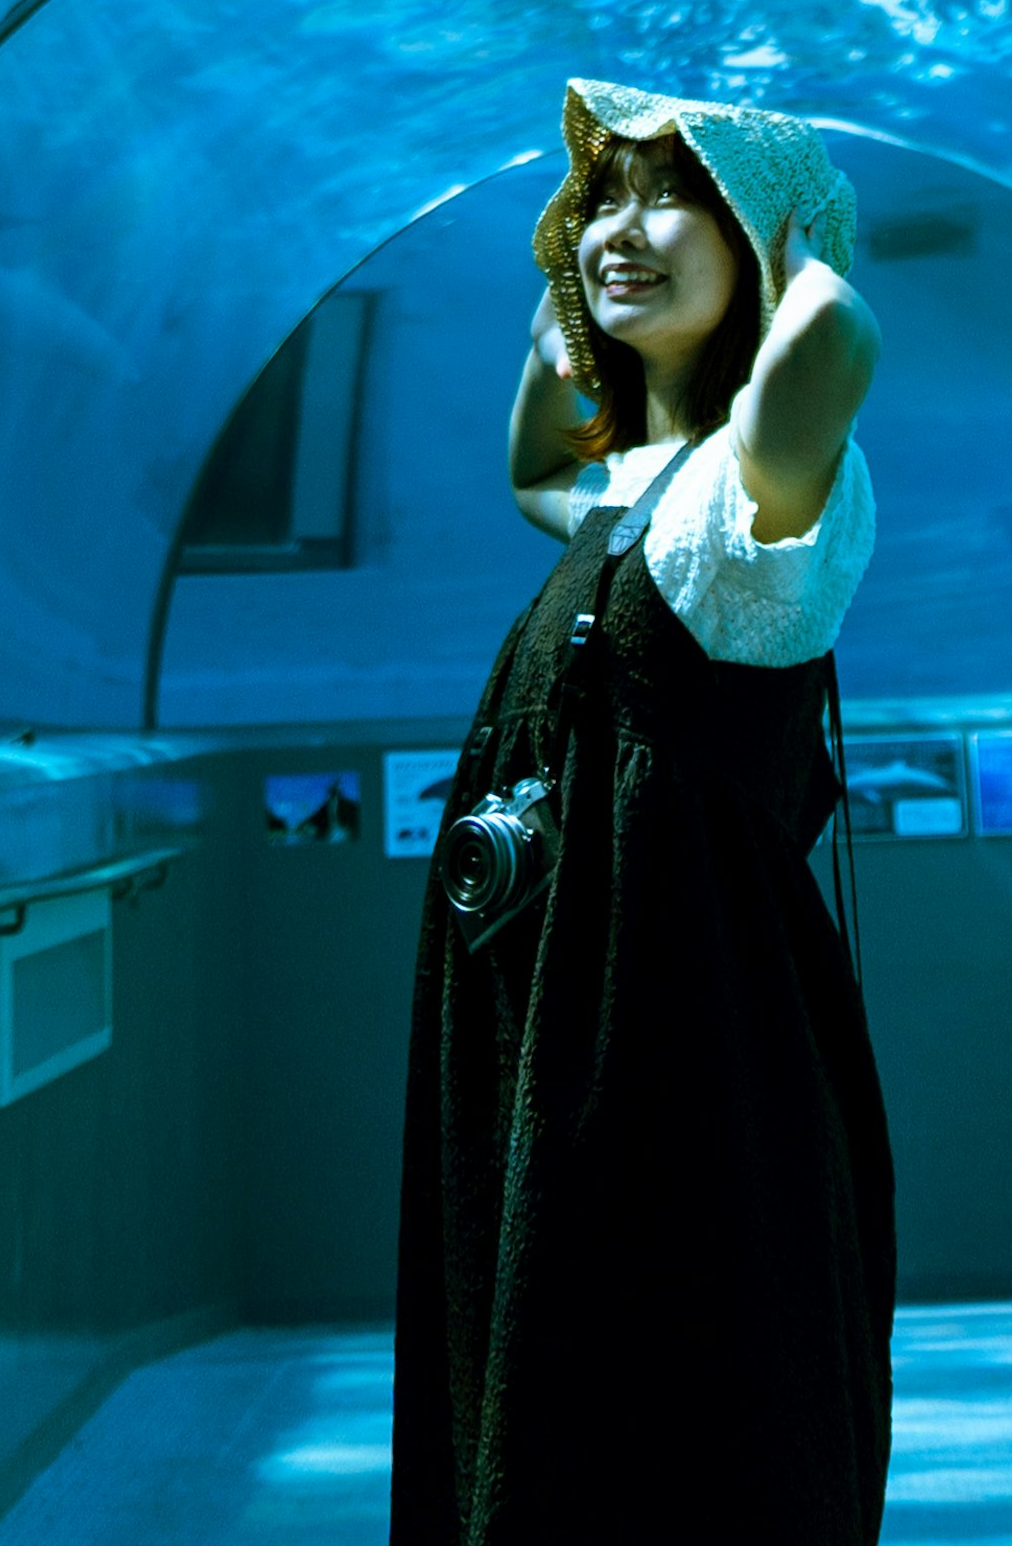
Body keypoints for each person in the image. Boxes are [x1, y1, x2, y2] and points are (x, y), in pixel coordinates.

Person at [392, 75, 895, 1545]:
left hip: (682, 1044)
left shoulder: (766, 491)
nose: (619, 229)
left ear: (763, 234)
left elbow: (835, 337)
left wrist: (804, 245)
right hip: (564, 1020)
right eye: (597, 200)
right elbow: (535, 465)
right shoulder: (635, 482)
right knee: (547, 1382)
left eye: (672, 194)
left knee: (681, 1409)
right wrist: (568, 317)